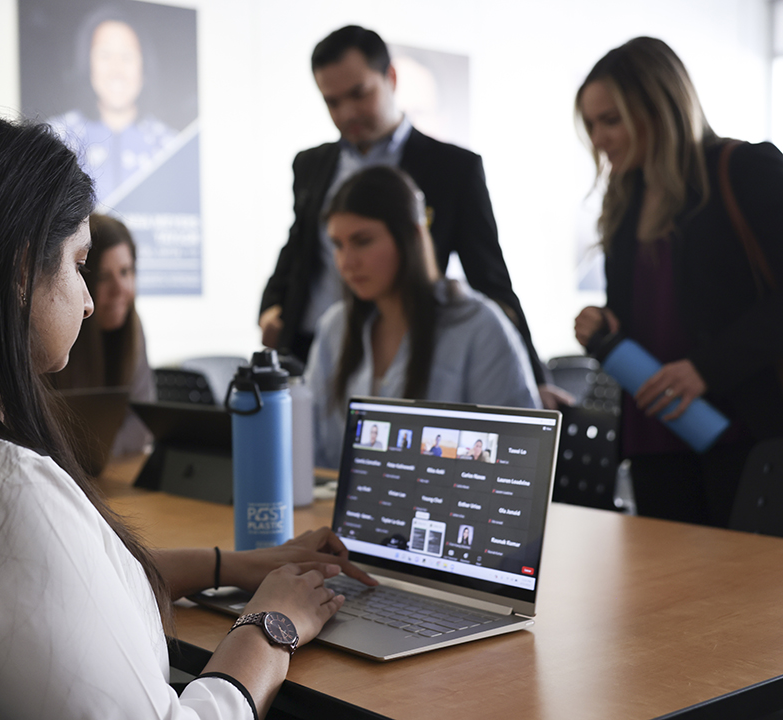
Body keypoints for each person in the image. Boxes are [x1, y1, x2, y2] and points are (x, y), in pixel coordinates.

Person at [0, 109, 377, 720]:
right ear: (18, 267)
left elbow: (51, 586)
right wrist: (271, 626)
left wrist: (234, 565)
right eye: (80, 263)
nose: (89, 301)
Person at [259, 25, 565, 407]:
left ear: (390, 78)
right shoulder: (311, 165)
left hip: (411, 351)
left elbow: (491, 277)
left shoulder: (453, 168)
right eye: (333, 102)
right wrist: (271, 305)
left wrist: (531, 376)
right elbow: (299, 247)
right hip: (318, 347)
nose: (348, 113)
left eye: (359, 94)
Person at [573, 37, 783, 528]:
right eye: (591, 124)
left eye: (611, 120)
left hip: (744, 434)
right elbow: (646, 311)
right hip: (655, 438)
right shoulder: (624, 202)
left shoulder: (746, 169)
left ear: (659, 107)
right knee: (665, 598)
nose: (599, 138)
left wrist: (705, 368)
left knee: (745, 599)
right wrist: (605, 325)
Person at [305, 165, 540, 468]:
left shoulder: (479, 327)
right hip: (342, 513)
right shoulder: (334, 328)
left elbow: (516, 461)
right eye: (338, 245)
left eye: (362, 241)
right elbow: (311, 453)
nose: (347, 262)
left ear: (411, 236)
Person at [48, 213, 153, 457]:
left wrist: (94, 452)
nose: (120, 289)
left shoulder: (134, 328)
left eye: (126, 272)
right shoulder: (56, 333)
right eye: (105, 277)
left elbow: (141, 424)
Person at [48, 9, 176, 203]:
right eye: (104, 54)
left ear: (144, 66)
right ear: (87, 63)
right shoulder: (56, 137)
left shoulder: (169, 146)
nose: (117, 69)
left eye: (127, 56)